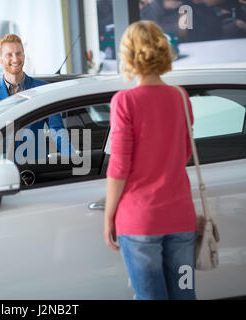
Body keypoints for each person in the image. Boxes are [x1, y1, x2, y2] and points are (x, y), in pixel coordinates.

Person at [103, 21, 197, 300]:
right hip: (181, 220)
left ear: (128, 56)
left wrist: (109, 217)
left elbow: (119, 167)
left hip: (140, 222)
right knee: (185, 295)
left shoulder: (124, 102)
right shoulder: (181, 97)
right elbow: (185, 154)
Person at [0, 34, 71, 160]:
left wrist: (71, 159)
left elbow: (57, 131)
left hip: (36, 166)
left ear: (24, 55)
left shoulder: (43, 89)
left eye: (18, 53)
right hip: (2, 170)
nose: (15, 59)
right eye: (9, 55)